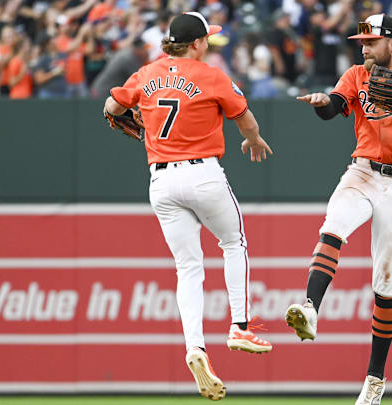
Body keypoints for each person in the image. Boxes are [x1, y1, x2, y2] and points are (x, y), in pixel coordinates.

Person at [104, 11, 274, 401]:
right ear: (196, 43)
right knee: (233, 244)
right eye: (206, 40)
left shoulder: (146, 73)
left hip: (161, 180)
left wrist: (130, 118)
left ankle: (195, 348)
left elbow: (112, 107)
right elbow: (245, 120)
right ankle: (240, 326)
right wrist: (253, 139)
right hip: (203, 174)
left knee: (187, 266)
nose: (208, 45)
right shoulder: (210, 74)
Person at [288, 14, 392, 405]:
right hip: (362, 170)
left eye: (370, 42)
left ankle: (374, 380)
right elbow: (335, 105)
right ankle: (310, 307)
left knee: (386, 284)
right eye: (361, 42)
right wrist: (322, 102)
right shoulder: (358, 74)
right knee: (334, 226)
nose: (363, 48)